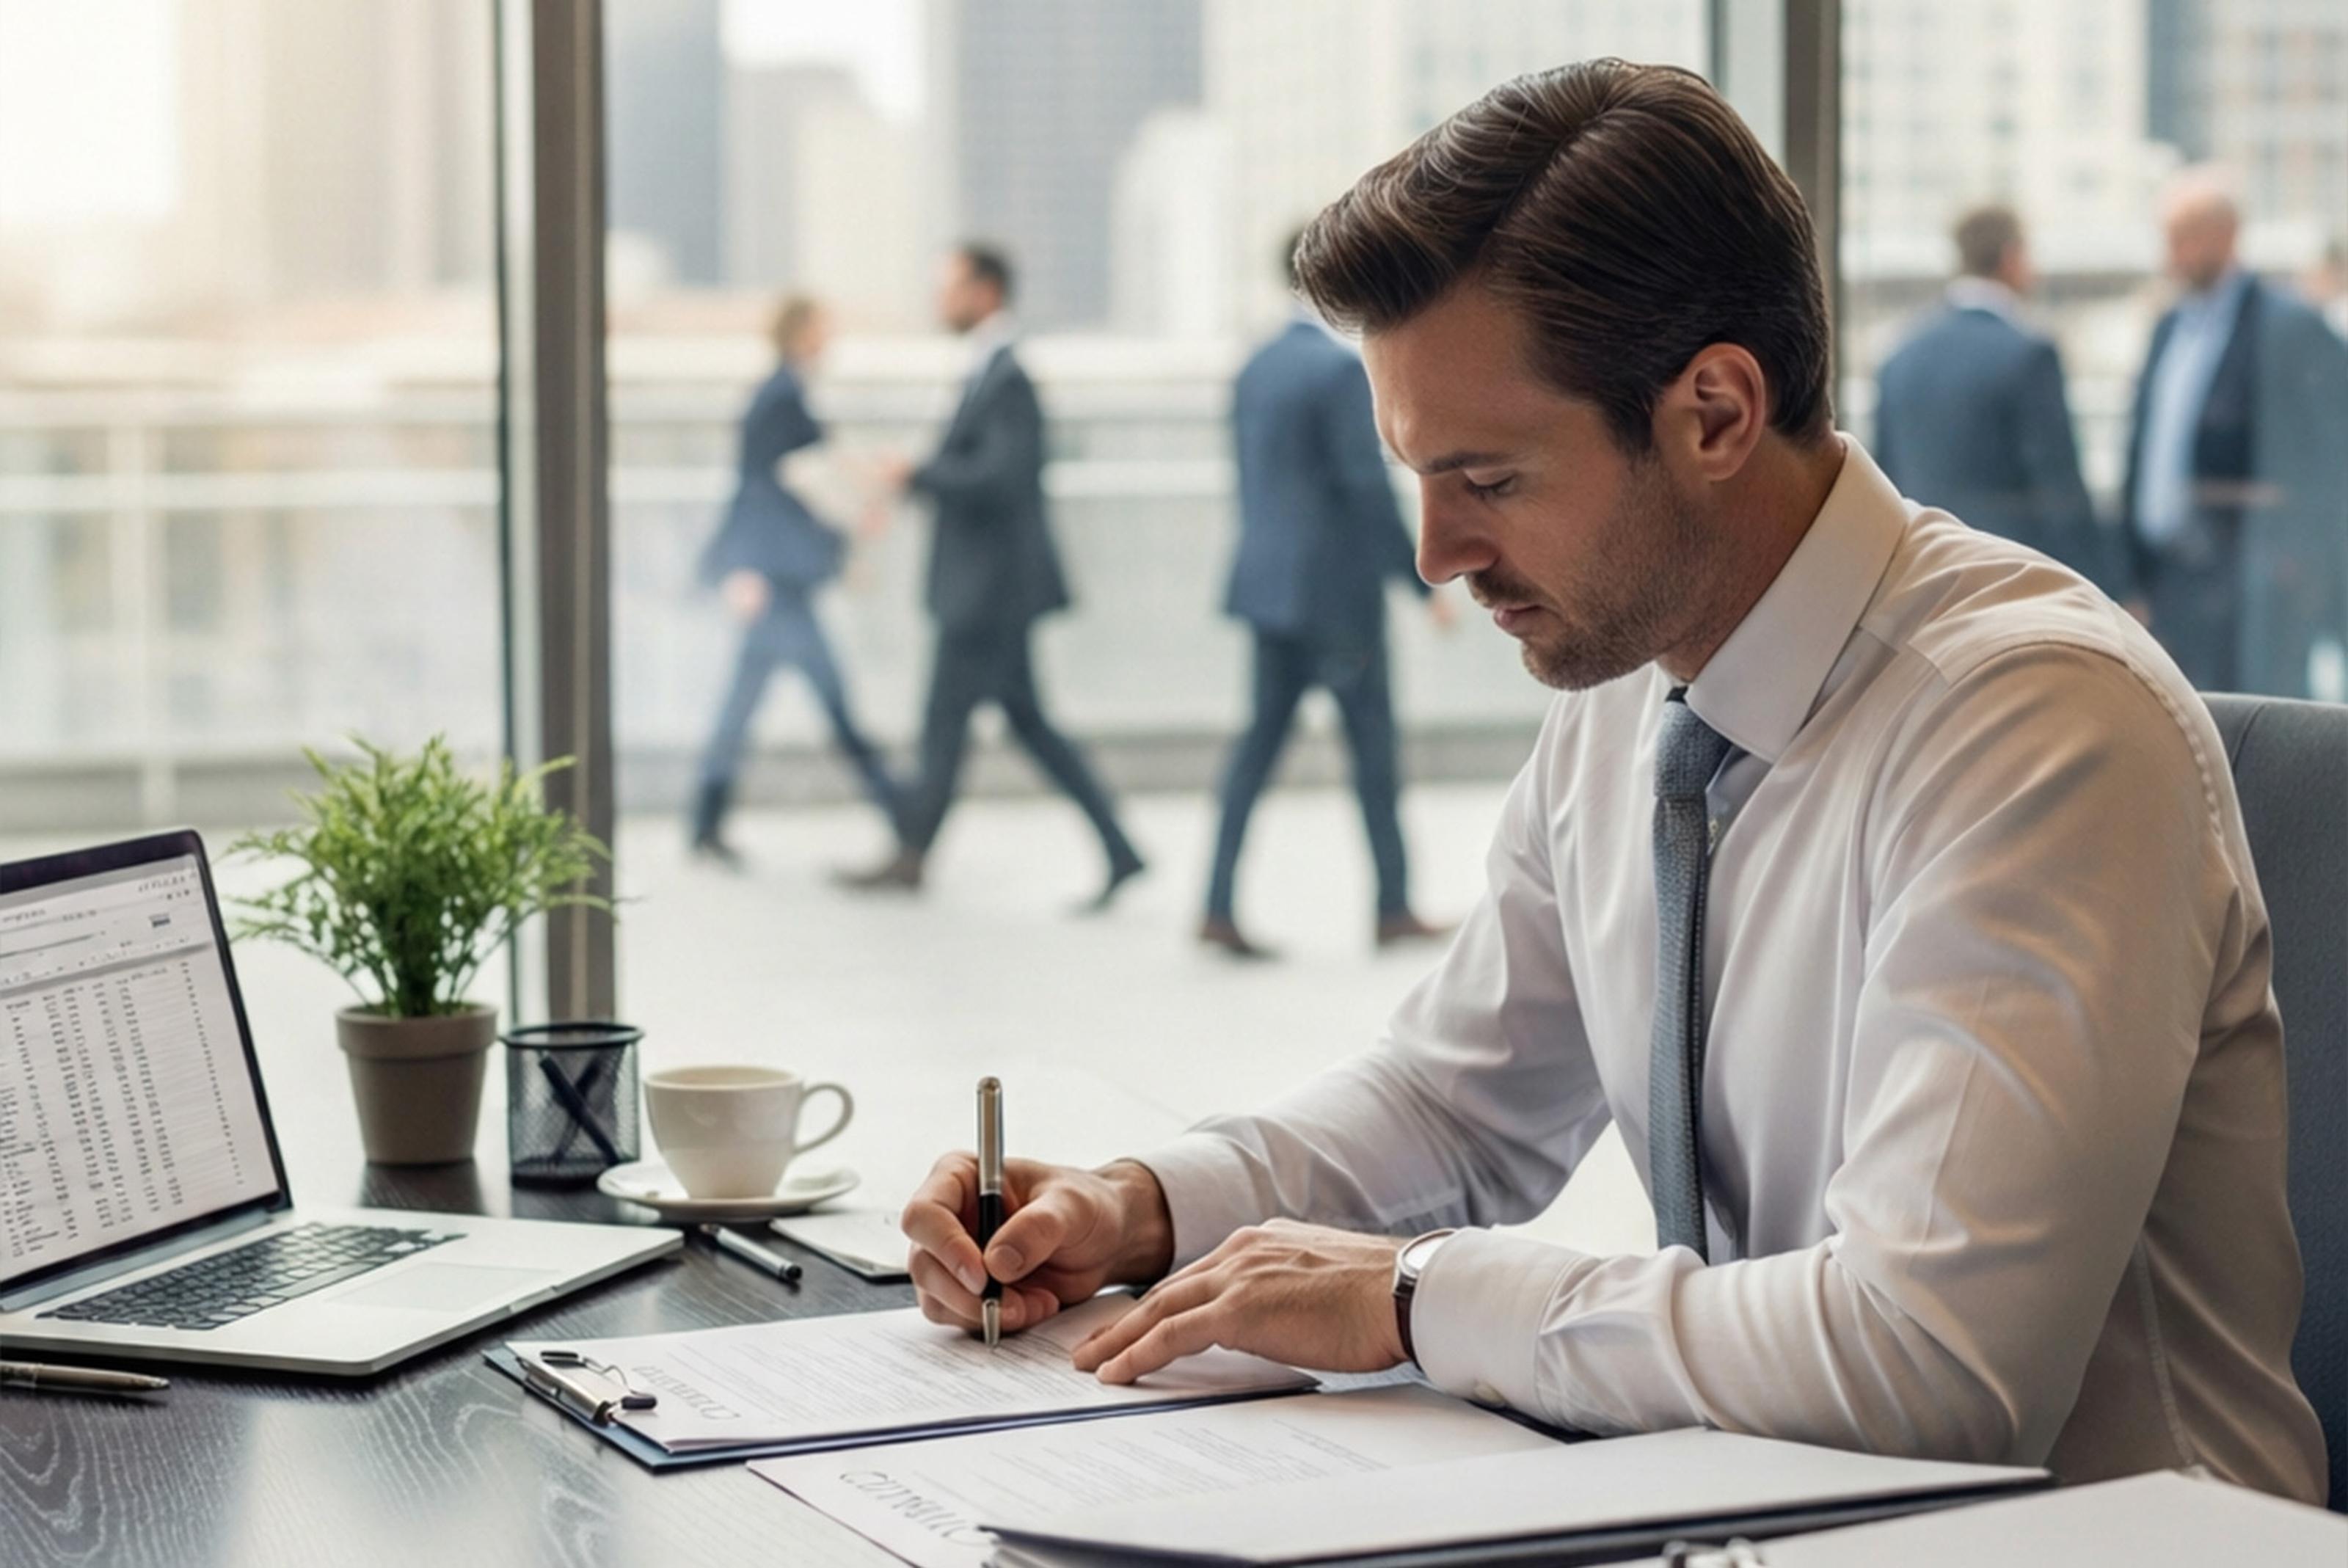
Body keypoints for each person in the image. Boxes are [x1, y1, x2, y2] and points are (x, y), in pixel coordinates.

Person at [900, 62, 2327, 1506]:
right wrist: (1137, 1208)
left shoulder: (2037, 730)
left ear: (1713, 412)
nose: (1434, 556)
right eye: (1417, 478)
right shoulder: (1635, 682)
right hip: (1760, 1517)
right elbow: (1459, 1107)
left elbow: (1929, 1366)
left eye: (1490, 481)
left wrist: (1412, 1295)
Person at [839, 244, 1148, 910]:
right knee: (1019, 723)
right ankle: (1119, 849)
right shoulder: (989, 369)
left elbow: (1002, 477)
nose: (939, 300)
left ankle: (913, 853)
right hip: (985, 588)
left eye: (948, 287)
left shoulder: (1008, 376)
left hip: (989, 592)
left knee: (948, 721)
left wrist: (914, 473)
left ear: (986, 291)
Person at [1200, 234, 1458, 960]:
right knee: (1372, 752)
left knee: (1254, 749)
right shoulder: (1338, 373)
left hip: (1267, 593)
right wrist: (1419, 582)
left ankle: (1216, 903)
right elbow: (1364, 488)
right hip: (1336, 600)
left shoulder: (1253, 367)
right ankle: (1393, 906)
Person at [2119, 167, 2348, 696]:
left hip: (2256, 577)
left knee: (2258, 734)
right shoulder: (2169, 326)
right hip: (2171, 579)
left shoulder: (2288, 326)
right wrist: (2133, 571)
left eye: (2184, 238)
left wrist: (2301, 564)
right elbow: (2143, 445)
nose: (2171, 255)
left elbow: (2329, 453)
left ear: (2226, 235)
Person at [690, 295, 901, 864]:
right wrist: (749, 568)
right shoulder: (782, 397)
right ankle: (903, 813)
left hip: (779, 577)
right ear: (799, 332)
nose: (828, 339)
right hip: (778, 581)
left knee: (744, 703)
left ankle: (705, 821)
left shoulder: (782, 392)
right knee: (831, 702)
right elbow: (769, 486)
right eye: (821, 329)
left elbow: (797, 479)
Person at [1873, 205, 2119, 594]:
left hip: (1919, 584)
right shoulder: (2029, 354)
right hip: (2012, 585)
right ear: (2012, 258)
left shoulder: (1900, 357)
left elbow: (1884, 479)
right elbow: (2058, 489)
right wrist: (2106, 591)